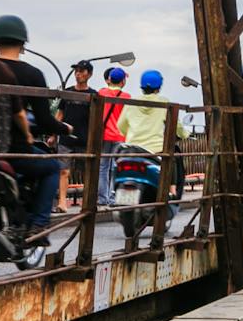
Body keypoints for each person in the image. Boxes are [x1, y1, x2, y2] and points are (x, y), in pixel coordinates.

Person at [0, 14, 66, 240]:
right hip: (14, 149)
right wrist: (65, 129)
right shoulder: (33, 74)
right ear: (22, 45)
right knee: (52, 167)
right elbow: (43, 120)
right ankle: (39, 224)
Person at [118, 69, 190, 214]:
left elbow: (121, 126)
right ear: (159, 86)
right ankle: (172, 190)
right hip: (155, 151)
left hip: (132, 148)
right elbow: (177, 126)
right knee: (173, 158)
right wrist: (185, 134)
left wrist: (131, 135)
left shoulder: (131, 103)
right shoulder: (164, 103)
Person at [56, 60, 94, 212]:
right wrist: (53, 134)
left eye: (82, 71)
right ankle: (62, 202)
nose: (78, 73)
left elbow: (96, 119)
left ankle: (87, 202)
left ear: (89, 74)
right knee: (64, 170)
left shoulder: (93, 95)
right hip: (66, 138)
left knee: (86, 171)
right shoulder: (67, 93)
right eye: (76, 71)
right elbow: (60, 114)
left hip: (85, 139)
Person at [97, 66, 131, 204]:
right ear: (123, 82)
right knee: (115, 167)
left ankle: (102, 198)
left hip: (104, 135)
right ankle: (112, 197)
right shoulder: (127, 97)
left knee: (102, 167)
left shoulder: (101, 93)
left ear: (109, 79)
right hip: (119, 136)